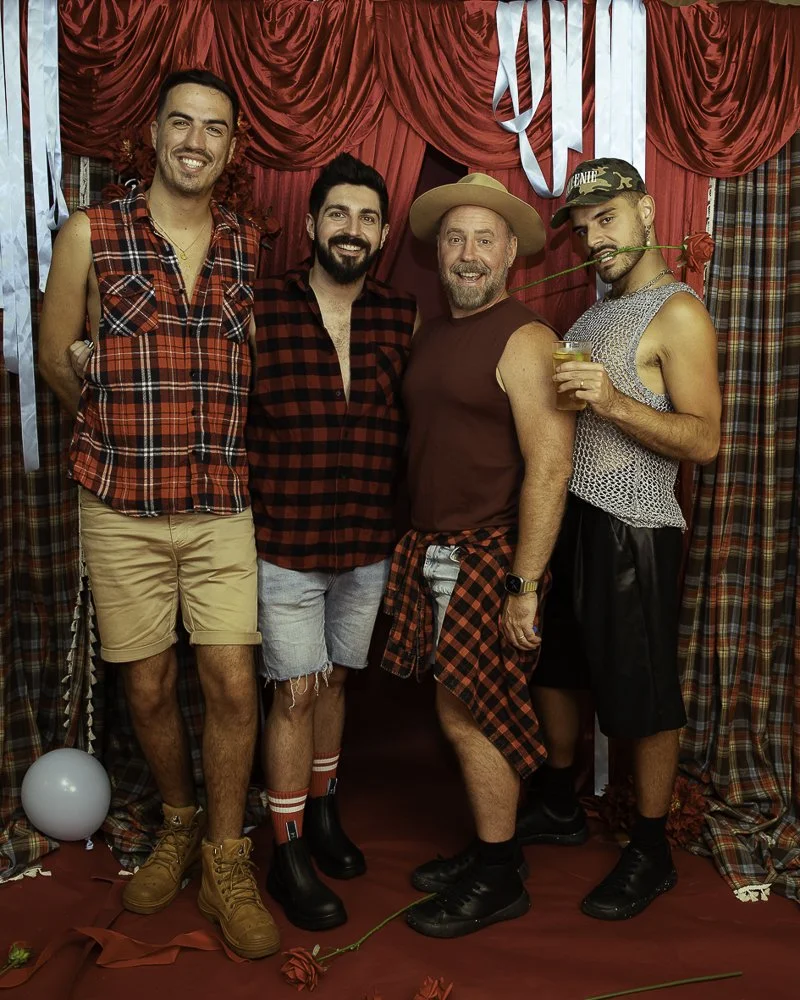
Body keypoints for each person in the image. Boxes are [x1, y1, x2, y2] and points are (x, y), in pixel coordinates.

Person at [38, 68, 279, 959]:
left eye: (213, 127)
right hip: (120, 505)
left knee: (229, 681)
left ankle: (224, 854)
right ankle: (178, 823)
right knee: (143, 686)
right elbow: (59, 359)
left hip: (220, 505)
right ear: (154, 130)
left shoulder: (250, 245)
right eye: (180, 121)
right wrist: (117, 432)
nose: (195, 139)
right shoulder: (90, 234)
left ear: (228, 146)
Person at [518, 157, 721, 921]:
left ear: (644, 212)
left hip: (635, 525)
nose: (593, 238)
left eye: (607, 219)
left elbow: (704, 441)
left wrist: (611, 403)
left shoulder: (678, 313)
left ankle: (650, 848)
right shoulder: (594, 314)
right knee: (559, 668)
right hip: (573, 514)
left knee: (640, 697)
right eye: (582, 226)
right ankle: (562, 802)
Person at [381, 173, 576, 938]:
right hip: (431, 552)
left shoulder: (527, 340)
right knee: (460, 710)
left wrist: (523, 584)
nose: (467, 253)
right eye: (454, 239)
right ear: (439, 252)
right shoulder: (431, 332)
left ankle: (499, 876)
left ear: (510, 256)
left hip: (489, 553)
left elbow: (551, 466)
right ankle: (492, 849)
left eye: (483, 240)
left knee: (472, 718)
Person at [248, 154, 417, 930]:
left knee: (336, 684)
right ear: (313, 224)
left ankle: (321, 814)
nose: (353, 229)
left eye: (368, 218)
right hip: (285, 540)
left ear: (382, 233)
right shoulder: (262, 308)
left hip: (366, 543)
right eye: (338, 215)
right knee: (295, 691)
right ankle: (284, 853)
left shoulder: (398, 315)